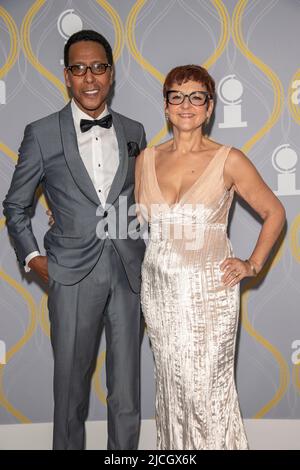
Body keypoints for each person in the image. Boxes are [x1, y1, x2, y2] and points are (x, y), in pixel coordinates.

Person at [3, 30, 146, 450]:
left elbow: (144, 198)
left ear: (111, 73)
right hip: (70, 274)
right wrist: (32, 257)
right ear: (66, 75)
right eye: (79, 68)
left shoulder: (135, 130)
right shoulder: (42, 132)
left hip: (127, 272)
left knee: (126, 391)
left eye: (98, 67)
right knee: (69, 391)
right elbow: (15, 205)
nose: (90, 78)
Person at [135, 65, 286, 450]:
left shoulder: (229, 159)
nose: (186, 104)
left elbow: (275, 212)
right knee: (171, 388)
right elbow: (134, 218)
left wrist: (253, 264)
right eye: (177, 96)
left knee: (206, 392)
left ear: (210, 106)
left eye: (196, 96)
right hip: (160, 292)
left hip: (209, 294)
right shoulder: (146, 159)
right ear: (166, 105)